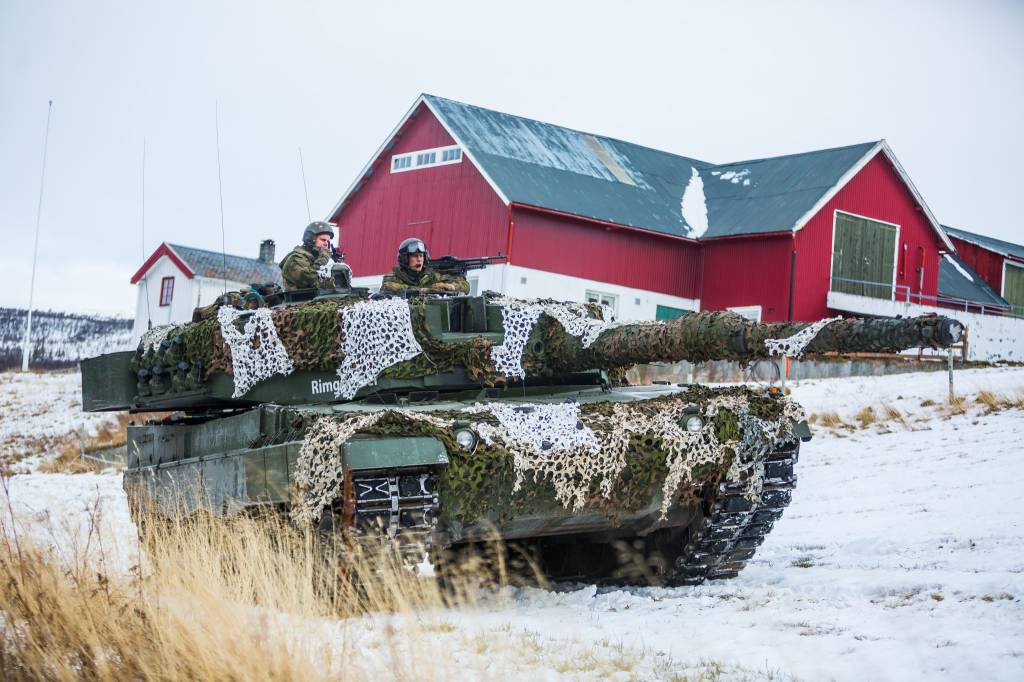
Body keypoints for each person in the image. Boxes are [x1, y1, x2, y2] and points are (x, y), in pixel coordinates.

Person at [379, 238, 470, 295]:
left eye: (421, 256)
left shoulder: (430, 275)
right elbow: (400, 290)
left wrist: (448, 286)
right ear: (405, 259)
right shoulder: (392, 279)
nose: (419, 259)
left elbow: (464, 286)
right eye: (415, 256)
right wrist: (429, 290)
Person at [279, 222, 337, 291]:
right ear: (310, 239)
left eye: (328, 241)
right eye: (323, 240)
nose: (326, 244)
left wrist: (337, 263)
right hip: (301, 300)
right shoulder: (295, 259)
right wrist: (324, 259)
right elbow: (311, 280)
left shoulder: (316, 259)